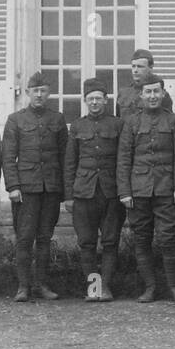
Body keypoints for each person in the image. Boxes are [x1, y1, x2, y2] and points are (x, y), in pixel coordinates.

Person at [117, 73, 175, 303]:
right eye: (148, 92)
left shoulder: (174, 121)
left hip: (166, 189)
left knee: (168, 239)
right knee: (142, 239)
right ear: (140, 95)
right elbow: (123, 158)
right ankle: (149, 288)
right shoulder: (131, 122)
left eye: (156, 91)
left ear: (163, 93)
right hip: (138, 191)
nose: (152, 96)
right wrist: (125, 192)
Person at [2, 71, 68, 302]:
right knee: (24, 237)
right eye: (35, 91)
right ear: (28, 93)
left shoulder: (58, 119)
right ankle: (23, 286)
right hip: (26, 189)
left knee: (44, 238)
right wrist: (13, 186)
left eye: (43, 91)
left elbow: (64, 157)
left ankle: (41, 284)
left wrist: (63, 190)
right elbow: (8, 157)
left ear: (49, 93)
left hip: (50, 188)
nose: (39, 95)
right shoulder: (16, 120)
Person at [63, 77, 124, 301]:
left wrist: (123, 192)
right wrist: (69, 195)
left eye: (99, 98)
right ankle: (93, 287)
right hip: (83, 193)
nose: (95, 102)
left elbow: (123, 158)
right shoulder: (77, 126)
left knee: (110, 241)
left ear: (106, 100)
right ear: (85, 101)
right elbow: (70, 162)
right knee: (86, 242)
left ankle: (105, 286)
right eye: (91, 99)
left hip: (110, 192)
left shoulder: (117, 124)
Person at [117, 49, 174, 117]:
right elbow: (118, 120)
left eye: (140, 67)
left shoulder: (160, 95)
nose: (135, 70)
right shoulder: (123, 93)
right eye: (133, 66)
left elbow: (167, 120)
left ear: (151, 68)